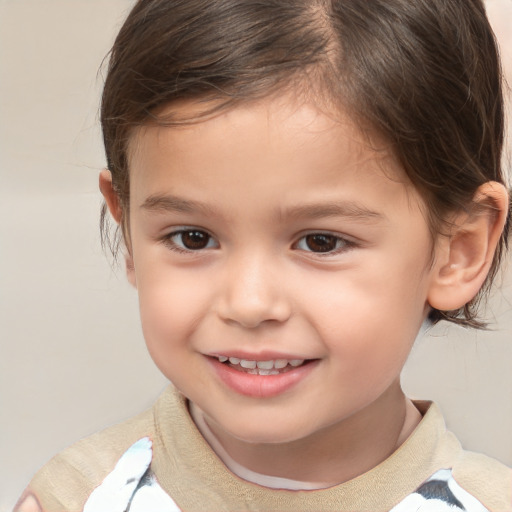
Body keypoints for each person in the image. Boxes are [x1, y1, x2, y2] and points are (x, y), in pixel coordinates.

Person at [15, 0, 512, 510]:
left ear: (459, 249)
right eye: (192, 238)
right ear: (128, 228)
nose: (249, 303)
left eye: (321, 241)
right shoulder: (76, 498)